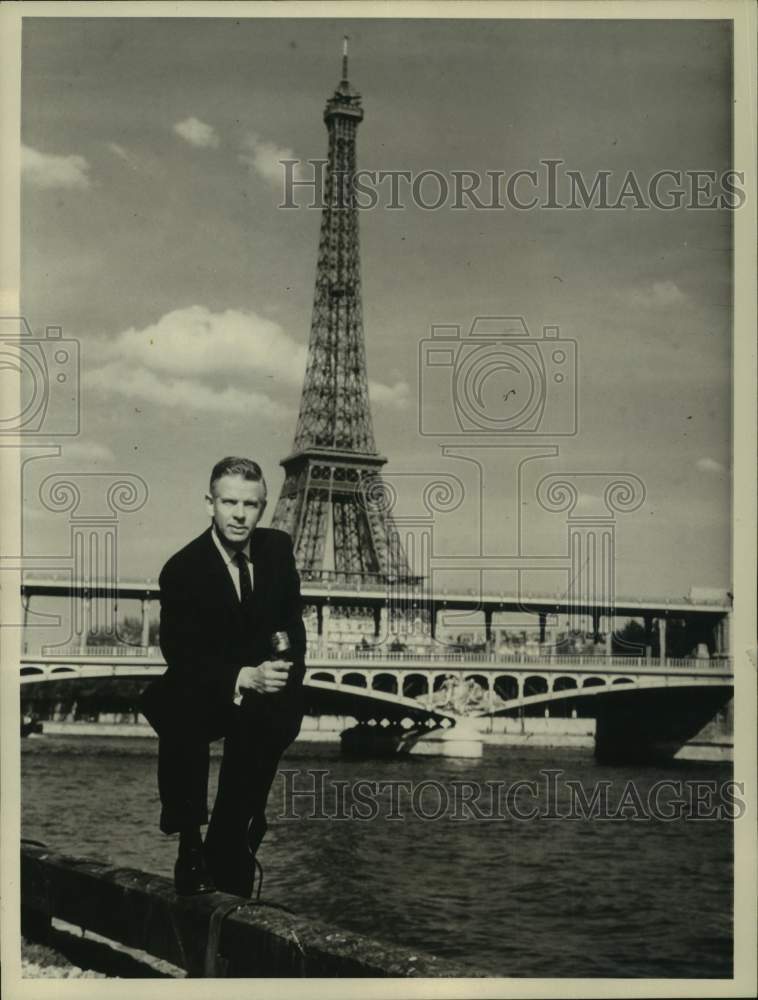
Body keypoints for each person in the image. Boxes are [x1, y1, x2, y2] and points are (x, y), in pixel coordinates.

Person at [139, 457, 306, 897]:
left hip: (262, 690)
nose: (239, 514)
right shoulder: (183, 569)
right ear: (209, 503)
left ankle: (237, 829)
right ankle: (189, 841)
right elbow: (180, 653)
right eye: (229, 502)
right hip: (209, 687)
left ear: (264, 505)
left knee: (274, 714)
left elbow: (292, 627)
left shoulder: (277, 549)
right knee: (179, 704)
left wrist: (279, 673)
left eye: (250, 504)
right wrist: (241, 675)